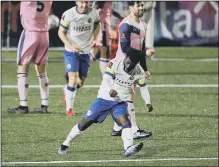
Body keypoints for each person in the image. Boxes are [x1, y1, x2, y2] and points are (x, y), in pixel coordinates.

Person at [58, 51, 153, 157]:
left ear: (135, 64)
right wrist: (110, 90)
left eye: (131, 65)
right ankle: (65, 143)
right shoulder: (115, 63)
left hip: (119, 102)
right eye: (127, 62)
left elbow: (144, 88)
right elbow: (106, 79)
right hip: (103, 99)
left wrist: (148, 102)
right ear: (126, 58)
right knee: (85, 123)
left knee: (126, 122)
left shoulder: (138, 71)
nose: (128, 65)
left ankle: (128, 148)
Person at [111, 1, 155, 139]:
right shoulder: (126, 24)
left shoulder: (143, 24)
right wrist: (144, 54)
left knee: (124, 97)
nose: (141, 8)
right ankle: (134, 130)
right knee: (128, 96)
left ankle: (117, 127)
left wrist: (145, 69)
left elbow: (140, 48)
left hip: (133, 66)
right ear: (131, 7)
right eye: (138, 5)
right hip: (123, 65)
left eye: (142, 5)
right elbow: (125, 48)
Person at [8, 1, 52, 114]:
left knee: (22, 67)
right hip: (44, 34)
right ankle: (44, 105)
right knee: (42, 70)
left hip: (30, 33)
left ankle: (23, 105)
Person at [59, 1, 100, 116]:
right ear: (77, 2)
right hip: (71, 51)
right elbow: (61, 32)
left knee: (80, 82)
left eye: (86, 2)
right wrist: (71, 46)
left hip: (86, 51)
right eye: (81, 2)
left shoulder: (94, 13)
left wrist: (95, 38)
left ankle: (66, 90)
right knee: (73, 78)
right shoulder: (68, 14)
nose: (84, 5)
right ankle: (69, 110)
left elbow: (98, 24)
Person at [91, 1, 113, 75]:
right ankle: (106, 78)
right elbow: (97, 5)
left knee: (105, 53)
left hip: (105, 23)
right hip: (103, 24)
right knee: (105, 53)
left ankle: (92, 56)